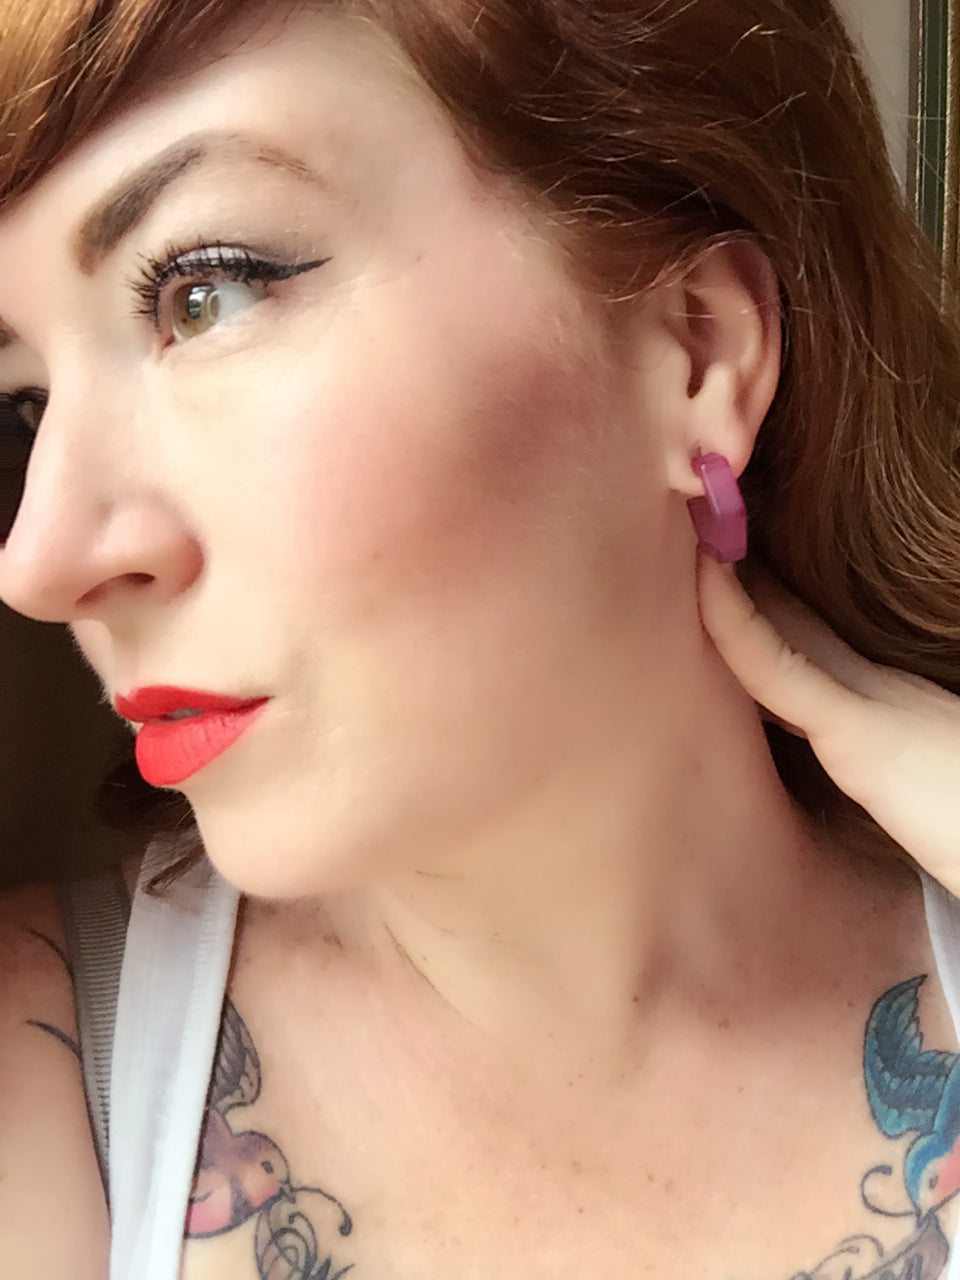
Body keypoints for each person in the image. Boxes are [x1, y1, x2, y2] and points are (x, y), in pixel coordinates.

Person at [0, 0, 959, 1277]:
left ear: (695, 349)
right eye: (26, 400)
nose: (41, 560)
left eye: (205, 293)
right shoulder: (45, 1085)